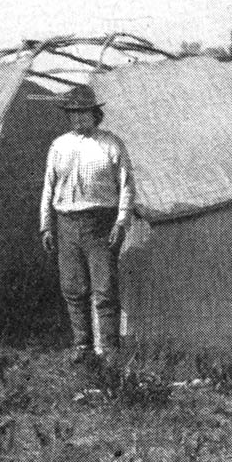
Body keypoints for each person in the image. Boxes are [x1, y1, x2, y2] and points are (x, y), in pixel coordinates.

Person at [39, 83, 136, 364]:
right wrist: (46, 225)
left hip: (100, 223)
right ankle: (82, 346)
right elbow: (48, 186)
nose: (79, 118)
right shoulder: (59, 145)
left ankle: (110, 350)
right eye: (73, 113)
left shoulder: (111, 144)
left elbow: (127, 185)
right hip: (66, 222)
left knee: (104, 288)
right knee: (73, 287)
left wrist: (121, 222)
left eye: (84, 113)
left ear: (95, 114)